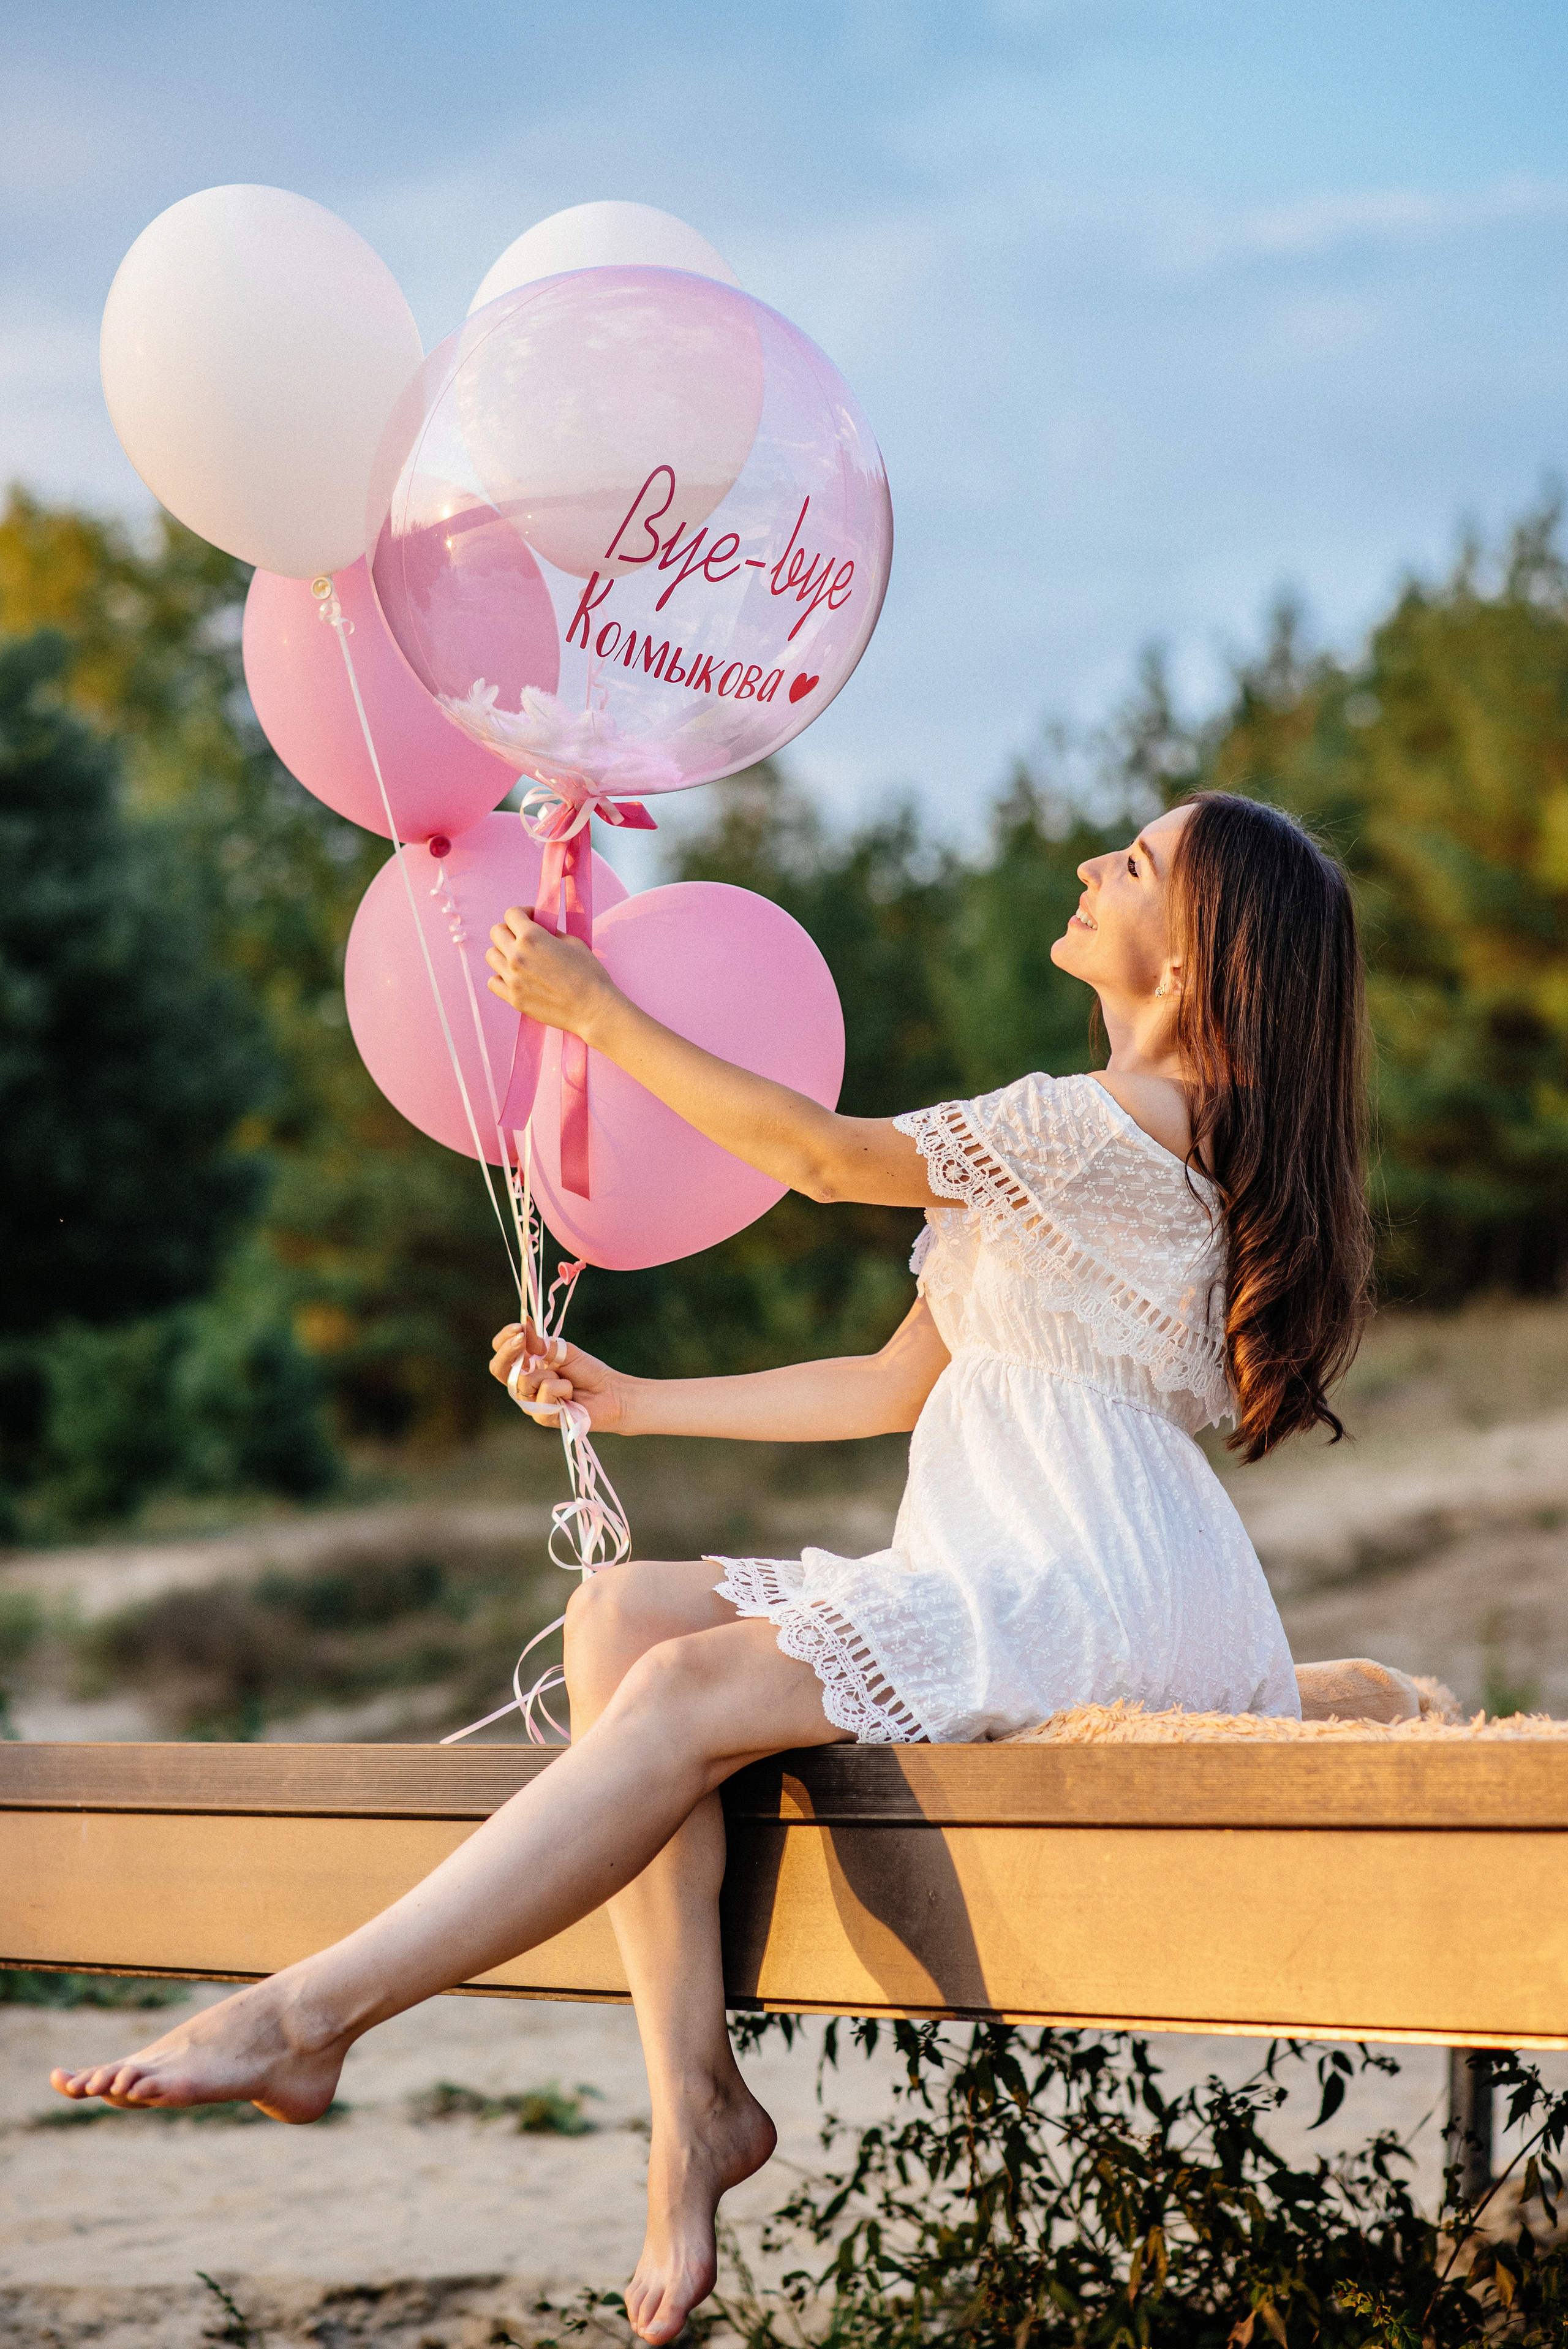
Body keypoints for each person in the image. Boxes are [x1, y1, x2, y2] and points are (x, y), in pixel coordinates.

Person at [50, 791, 1372, 2345]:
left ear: (1195, 960)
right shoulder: (1121, 1147)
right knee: (619, 1611)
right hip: (1061, 1558)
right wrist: (631, 1397)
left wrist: (595, 1013)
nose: (1090, 867)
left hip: (1079, 1581)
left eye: (1134, 863)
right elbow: (892, 1390)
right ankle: (694, 2110)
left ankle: (305, 2013)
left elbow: (813, 1158)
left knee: (677, 1685)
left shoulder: (1090, 1127)